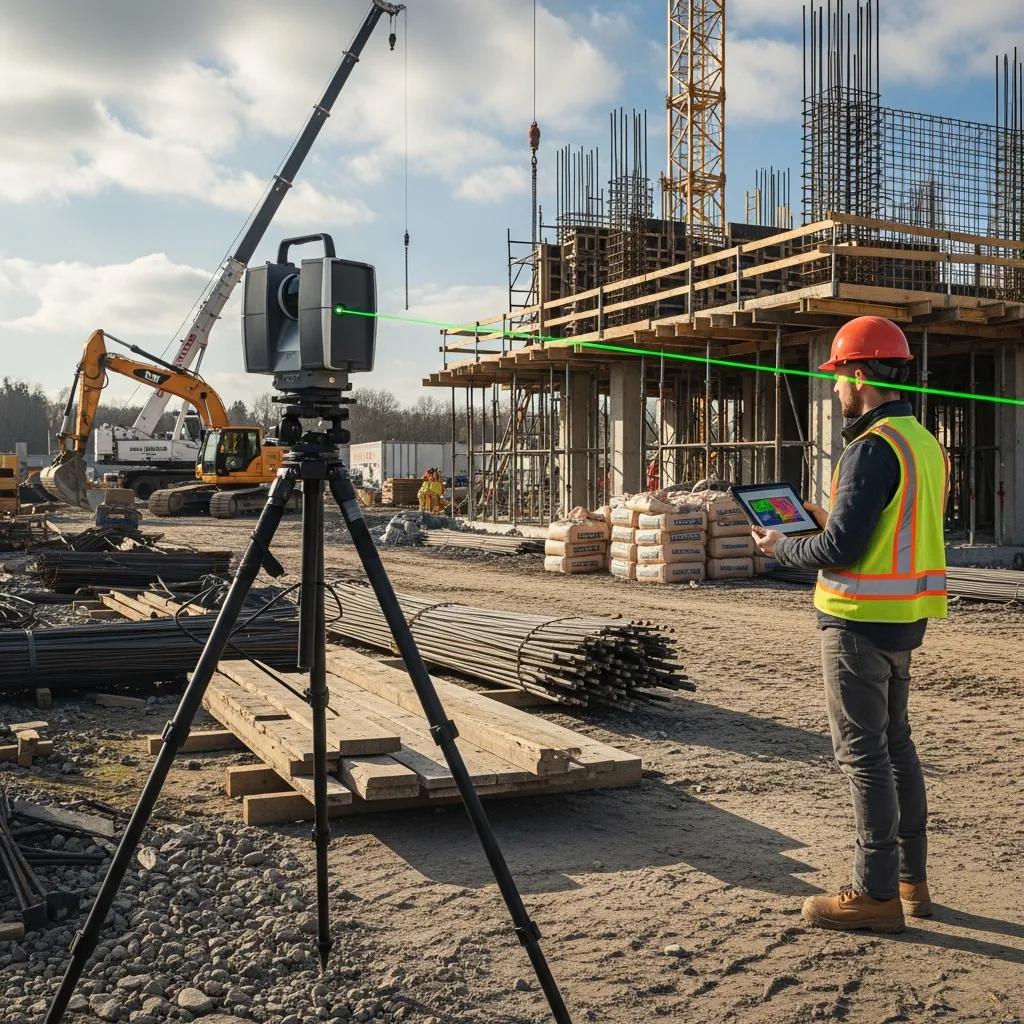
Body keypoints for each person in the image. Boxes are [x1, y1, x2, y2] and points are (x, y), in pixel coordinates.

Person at [752, 316, 949, 934]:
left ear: (860, 377)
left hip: (858, 621)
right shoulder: (921, 440)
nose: (834, 388)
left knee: (864, 756)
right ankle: (911, 880)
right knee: (897, 747)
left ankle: (874, 893)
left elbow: (839, 551)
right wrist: (825, 516)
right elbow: (886, 528)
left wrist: (781, 547)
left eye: (838, 377)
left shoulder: (871, 447)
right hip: (904, 616)